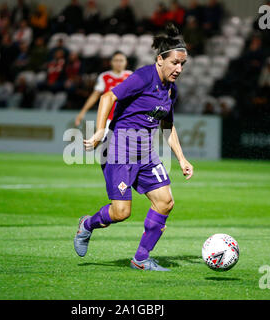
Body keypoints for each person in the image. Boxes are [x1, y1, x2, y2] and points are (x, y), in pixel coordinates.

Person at [74, 24, 194, 271]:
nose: (179, 69)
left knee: (165, 201)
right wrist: (99, 130)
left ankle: (140, 259)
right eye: (175, 63)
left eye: (182, 64)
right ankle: (87, 225)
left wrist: (181, 158)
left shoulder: (171, 90)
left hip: (146, 153)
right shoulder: (142, 77)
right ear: (160, 60)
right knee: (120, 213)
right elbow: (108, 97)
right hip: (118, 150)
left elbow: (167, 126)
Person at [74, 51, 132, 131]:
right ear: (111, 62)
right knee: (107, 142)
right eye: (116, 60)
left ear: (126, 62)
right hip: (108, 119)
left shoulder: (131, 76)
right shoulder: (104, 77)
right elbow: (95, 95)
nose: (118, 63)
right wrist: (83, 112)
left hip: (127, 119)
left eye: (121, 60)